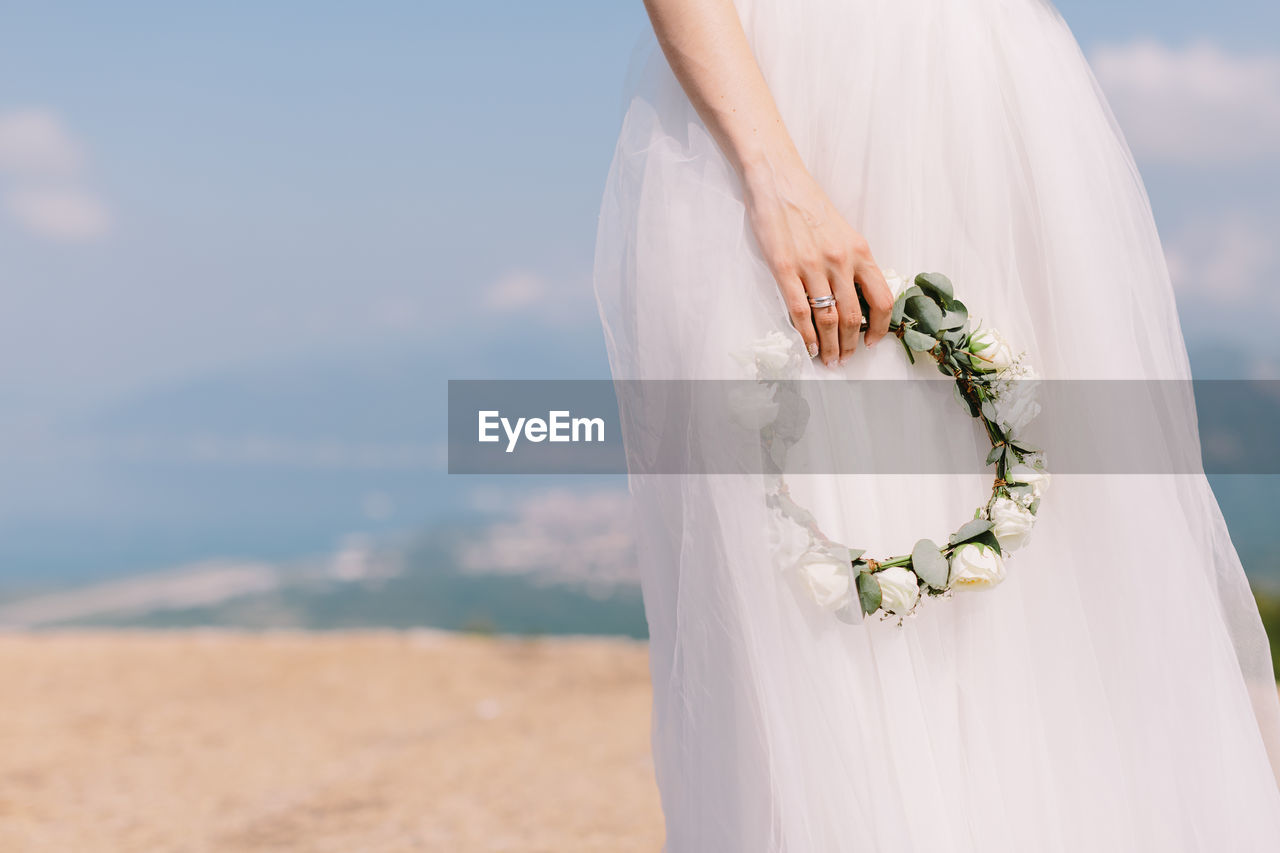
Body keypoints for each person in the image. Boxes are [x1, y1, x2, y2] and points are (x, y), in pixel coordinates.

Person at [592, 0, 1280, 849]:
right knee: (812, 636)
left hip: (1001, 117)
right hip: (792, 103)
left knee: (1063, 603)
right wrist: (775, 178)